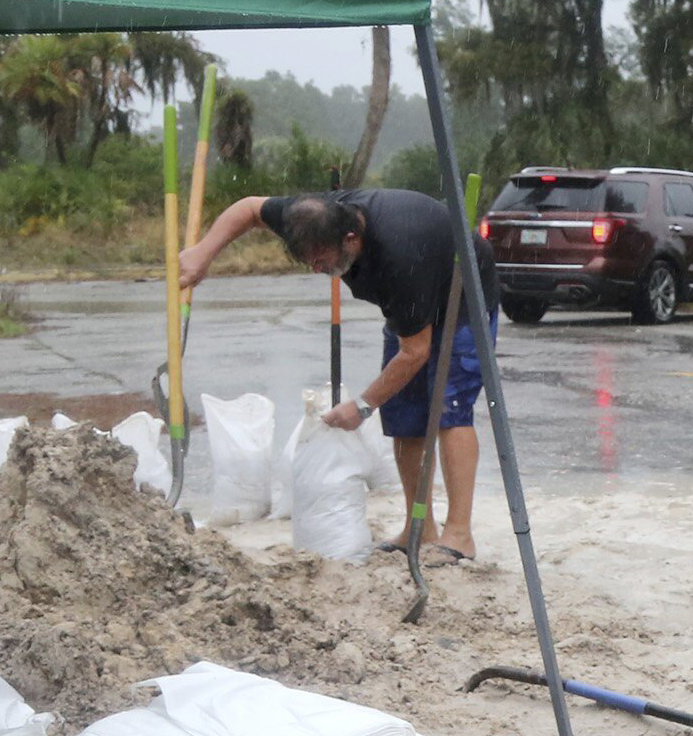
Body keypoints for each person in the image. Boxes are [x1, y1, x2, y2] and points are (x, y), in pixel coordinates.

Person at [180, 185, 487, 560]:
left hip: (461, 293)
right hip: (410, 302)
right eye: (307, 260)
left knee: (450, 409)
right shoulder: (309, 217)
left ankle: (459, 534)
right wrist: (203, 253)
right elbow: (248, 209)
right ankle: (419, 528)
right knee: (405, 415)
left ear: (351, 238)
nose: (316, 268)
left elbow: (415, 352)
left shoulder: (400, 254)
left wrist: (362, 406)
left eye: (320, 258)